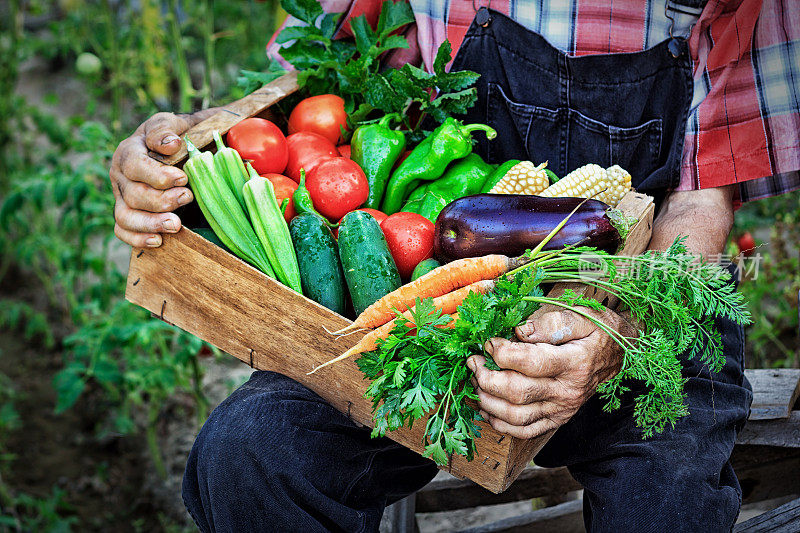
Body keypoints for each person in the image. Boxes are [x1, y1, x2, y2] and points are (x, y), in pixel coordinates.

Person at [109, 0, 800, 531]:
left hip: (644, 299)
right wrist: (184, 149)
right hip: (436, 307)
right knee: (248, 456)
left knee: (667, 502)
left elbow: (701, 203)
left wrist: (612, 323)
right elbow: (307, 83)